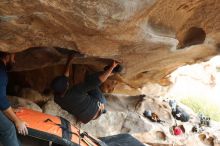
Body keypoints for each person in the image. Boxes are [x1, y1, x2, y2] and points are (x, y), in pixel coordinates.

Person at [51, 55, 122, 124]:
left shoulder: (57, 99)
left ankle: (102, 109)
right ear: (66, 86)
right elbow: (98, 81)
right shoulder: (77, 91)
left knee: (85, 94)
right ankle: (113, 72)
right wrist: (112, 67)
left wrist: (69, 60)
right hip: (99, 106)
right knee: (90, 80)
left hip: (87, 118)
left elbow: (65, 76)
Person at [0, 51, 28, 146]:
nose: (14, 61)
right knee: (9, 128)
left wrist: (11, 110)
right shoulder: (1, 72)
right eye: (13, 57)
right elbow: (1, 100)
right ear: (7, 56)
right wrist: (17, 121)